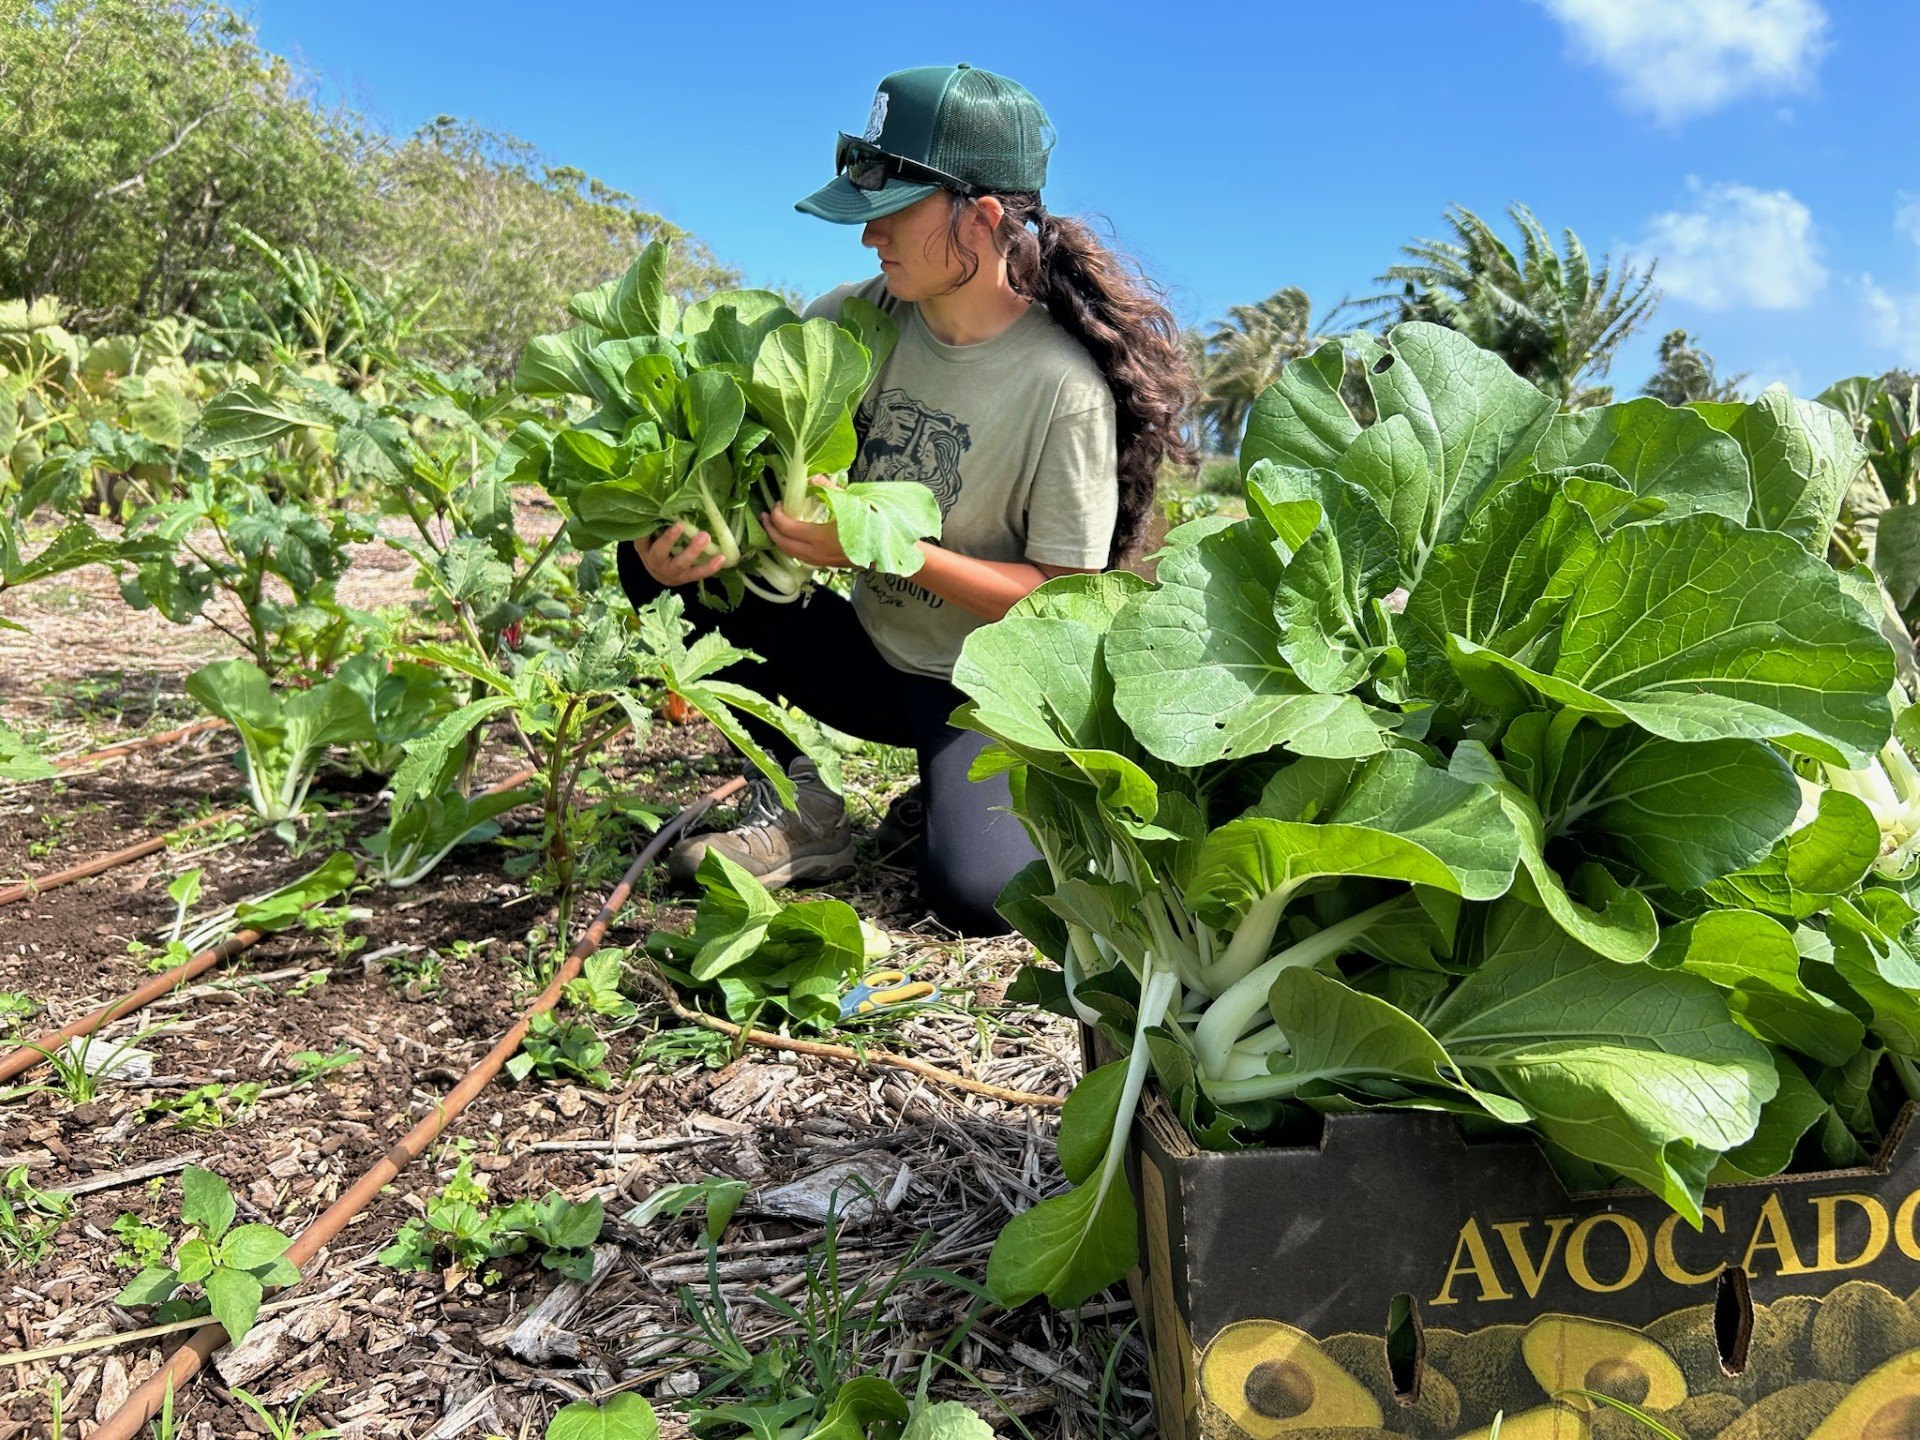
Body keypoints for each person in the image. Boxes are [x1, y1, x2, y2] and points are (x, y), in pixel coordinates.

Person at [617, 62, 1192, 935]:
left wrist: (885, 551)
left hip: (975, 689)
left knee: (979, 899)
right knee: (650, 566)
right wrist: (700, 531)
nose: (867, 238)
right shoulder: (855, 318)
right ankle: (798, 803)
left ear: (985, 218)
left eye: (890, 214)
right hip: (863, 651)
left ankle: (947, 797)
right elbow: (747, 453)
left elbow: (1060, 598)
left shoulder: (1060, 387)